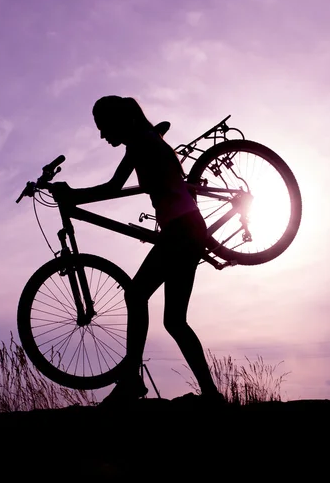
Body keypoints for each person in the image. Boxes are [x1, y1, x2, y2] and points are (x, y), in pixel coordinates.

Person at [52, 96, 222, 404]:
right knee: (174, 320)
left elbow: (113, 187)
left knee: (136, 294)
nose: (103, 136)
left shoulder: (141, 142)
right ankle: (210, 394)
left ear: (121, 121)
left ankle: (131, 380)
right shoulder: (146, 139)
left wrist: (72, 195)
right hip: (186, 228)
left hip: (183, 230)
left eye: (104, 128)